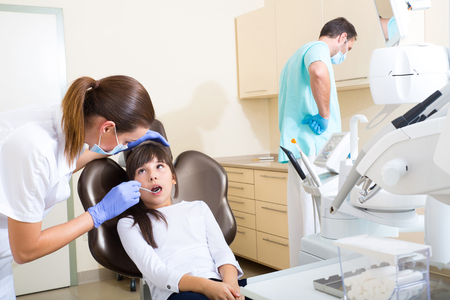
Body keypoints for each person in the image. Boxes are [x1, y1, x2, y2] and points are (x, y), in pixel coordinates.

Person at [0, 75, 169, 300]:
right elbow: (25, 250)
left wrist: (109, 149)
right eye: (127, 141)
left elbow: (60, 166)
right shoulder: (35, 149)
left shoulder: (67, 120)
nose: (126, 147)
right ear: (107, 127)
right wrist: (98, 214)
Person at [117, 142, 245, 300]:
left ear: (173, 178)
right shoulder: (129, 224)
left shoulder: (199, 208)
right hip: (177, 292)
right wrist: (207, 287)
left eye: (159, 166)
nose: (152, 176)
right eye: (142, 170)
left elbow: (222, 252)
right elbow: (156, 272)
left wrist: (232, 287)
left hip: (218, 283)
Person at [277, 17, 357, 266]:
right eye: (349, 48)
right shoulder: (318, 49)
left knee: (304, 219)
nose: (345, 54)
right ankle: (314, 276)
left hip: (299, 149)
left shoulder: (294, 58)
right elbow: (319, 72)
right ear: (342, 38)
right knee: (318, 223)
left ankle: (302, 276)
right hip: (312, 149)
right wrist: (324, 116)